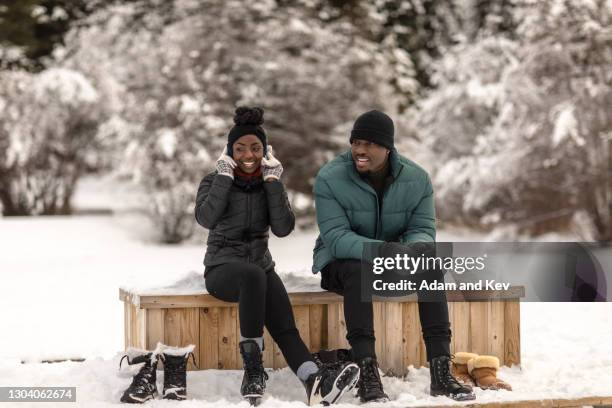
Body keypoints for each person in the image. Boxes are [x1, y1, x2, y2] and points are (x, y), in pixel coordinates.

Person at [195, 106, 359, 406]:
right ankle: (253, 371)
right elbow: (205, 218)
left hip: (260, 269)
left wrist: (273, 184)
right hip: (222, 269)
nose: (248, 154)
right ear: (229, 151)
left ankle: (313, 379)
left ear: (265, 151)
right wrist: (224, 177)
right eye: (240, 148)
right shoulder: (213, 181)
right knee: (253, 275)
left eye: (255, 148)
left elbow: (284, 228)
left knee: (285, 326)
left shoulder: (268, 183)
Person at [312, 110, 476, 402]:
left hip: (392, 260)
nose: (360, 150)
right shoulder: (330, 177)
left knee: (431, 267)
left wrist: (413, 250)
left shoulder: (417, 179)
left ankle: (440, 371)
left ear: (387, 147)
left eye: (370, 144)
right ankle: (367, 373)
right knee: (358, 270)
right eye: (356, 142)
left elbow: (423, 229)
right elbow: (336, 239)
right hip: (342, 264)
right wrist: (382, 251)